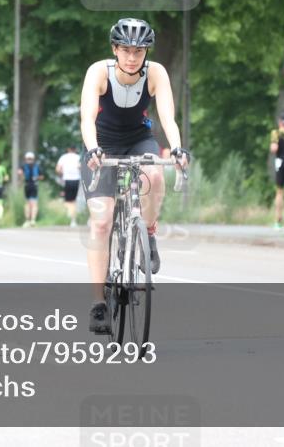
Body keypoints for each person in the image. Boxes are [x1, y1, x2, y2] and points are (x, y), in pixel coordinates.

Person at [81, 18, 189, 334]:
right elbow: (87, 117)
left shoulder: (155, 73)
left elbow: (167, 116)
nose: (132, 57)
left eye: (139, 51)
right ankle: (99, 303)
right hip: (101, 144)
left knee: (154, 177)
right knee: (101, 222)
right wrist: (92, 150)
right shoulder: (99, 72)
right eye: (126, 50)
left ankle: (149, 232)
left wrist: (178, 148)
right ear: (115, 50)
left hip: (138, 139)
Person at [56, 145, 83, 227]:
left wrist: (61, 175)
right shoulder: (78, 157)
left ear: (68, 149)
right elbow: (81, 167)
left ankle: (71, 216)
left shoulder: (63, 157)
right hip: (77, 180)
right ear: (75, 150)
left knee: (68, 201)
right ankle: (73, 219)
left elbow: (58, 169)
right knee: (73, 200)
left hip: (67, 180)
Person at [19, 152, 42, 227]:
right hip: (34, 185)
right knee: (33, 203)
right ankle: (32, 220)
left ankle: (28, 220)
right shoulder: (37, 166)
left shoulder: (23, 166)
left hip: (27, 185)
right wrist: (37, 178)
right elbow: (41, 176)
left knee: (28, 204)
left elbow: (19, 173)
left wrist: (21, 178)